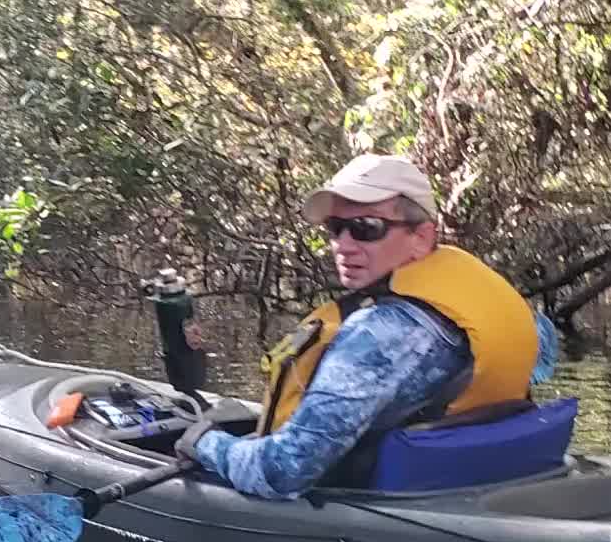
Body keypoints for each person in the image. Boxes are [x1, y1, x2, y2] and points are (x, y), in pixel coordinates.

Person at [174, 153, 563, 499]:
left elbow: (281, 472)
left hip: (397, 508)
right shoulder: (508, 307)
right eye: (334, 229)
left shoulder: (379, 334)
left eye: (365, 227)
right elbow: (540, 360)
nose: (343, 244)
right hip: (487, 479)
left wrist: (203, 442)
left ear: (421, 236)